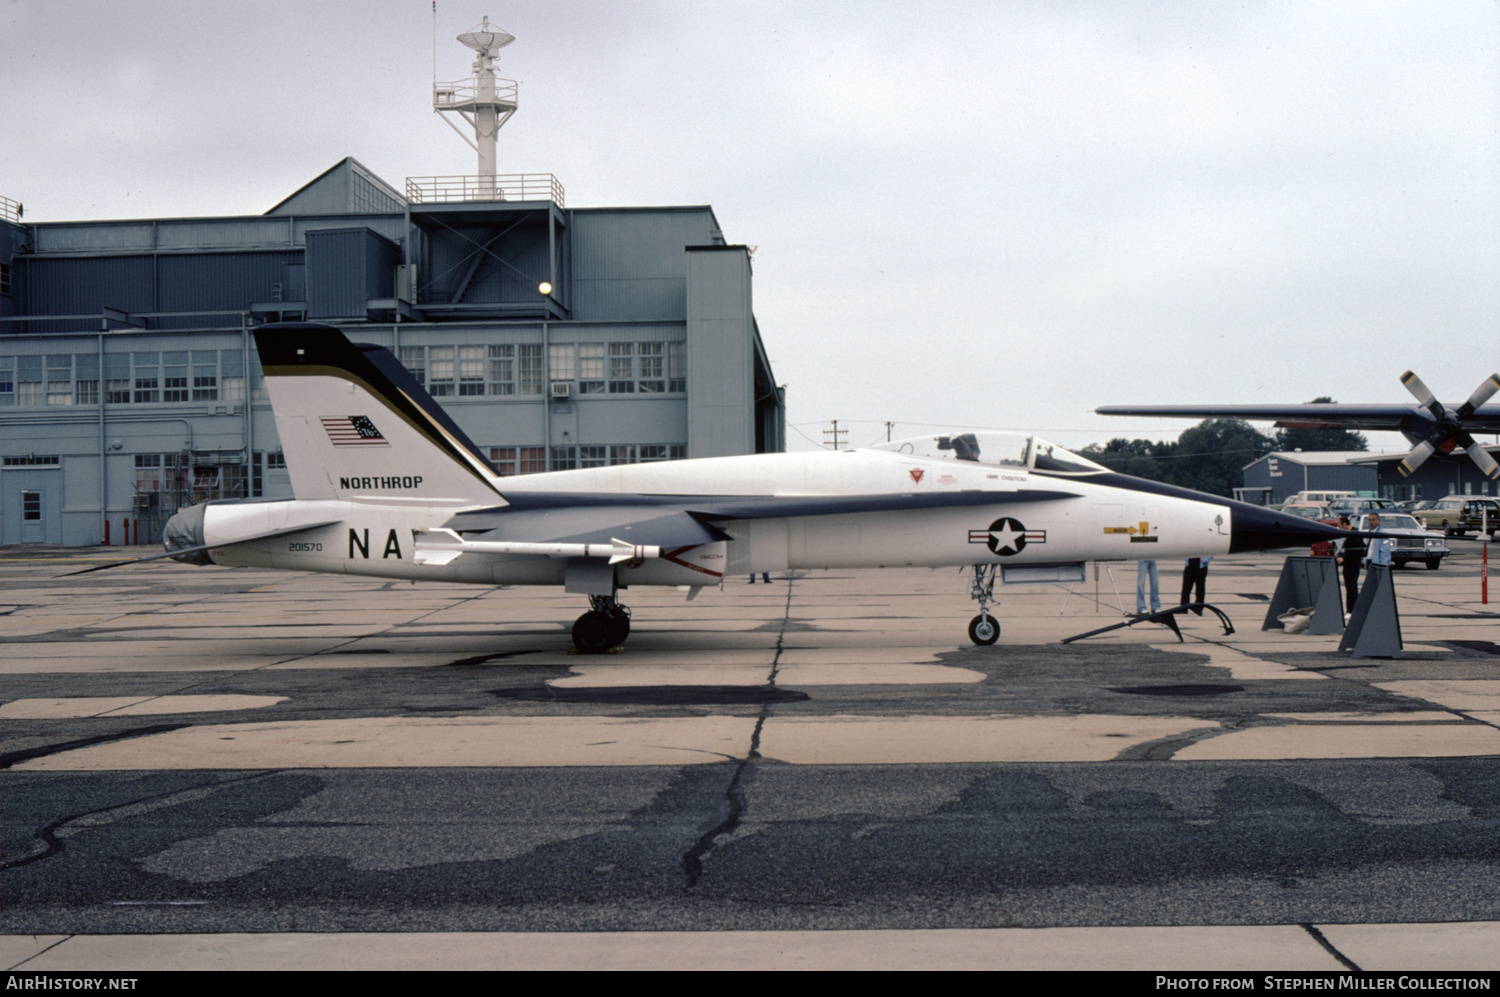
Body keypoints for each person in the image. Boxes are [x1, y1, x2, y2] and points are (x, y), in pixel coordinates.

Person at [1334, 514, 1365, 614]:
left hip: (1352, 565)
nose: (1338, 528)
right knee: (1350, 587)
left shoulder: (1354, 534)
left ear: (1344, 524)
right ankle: (1352, 608)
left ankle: (1351, 609)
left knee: (1351, 587)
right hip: (1349, 564)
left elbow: (1358, 552)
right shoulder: (1349, 535)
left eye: (1339, 525)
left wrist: (1344, 557)